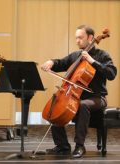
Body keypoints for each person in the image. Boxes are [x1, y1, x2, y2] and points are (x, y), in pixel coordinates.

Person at [40, 25, 117, 158]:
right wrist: (51, 62)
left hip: (97, 97)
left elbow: (111, 73)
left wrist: (92, 61)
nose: (77, 41)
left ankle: (79, 146)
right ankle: (62, 146)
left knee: (83, 105)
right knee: (55, 106)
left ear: (90, 38)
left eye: (80, 38)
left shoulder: (102, 55)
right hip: (74, 95)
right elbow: (61, 63)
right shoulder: (76, 56)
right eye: (76, 38)